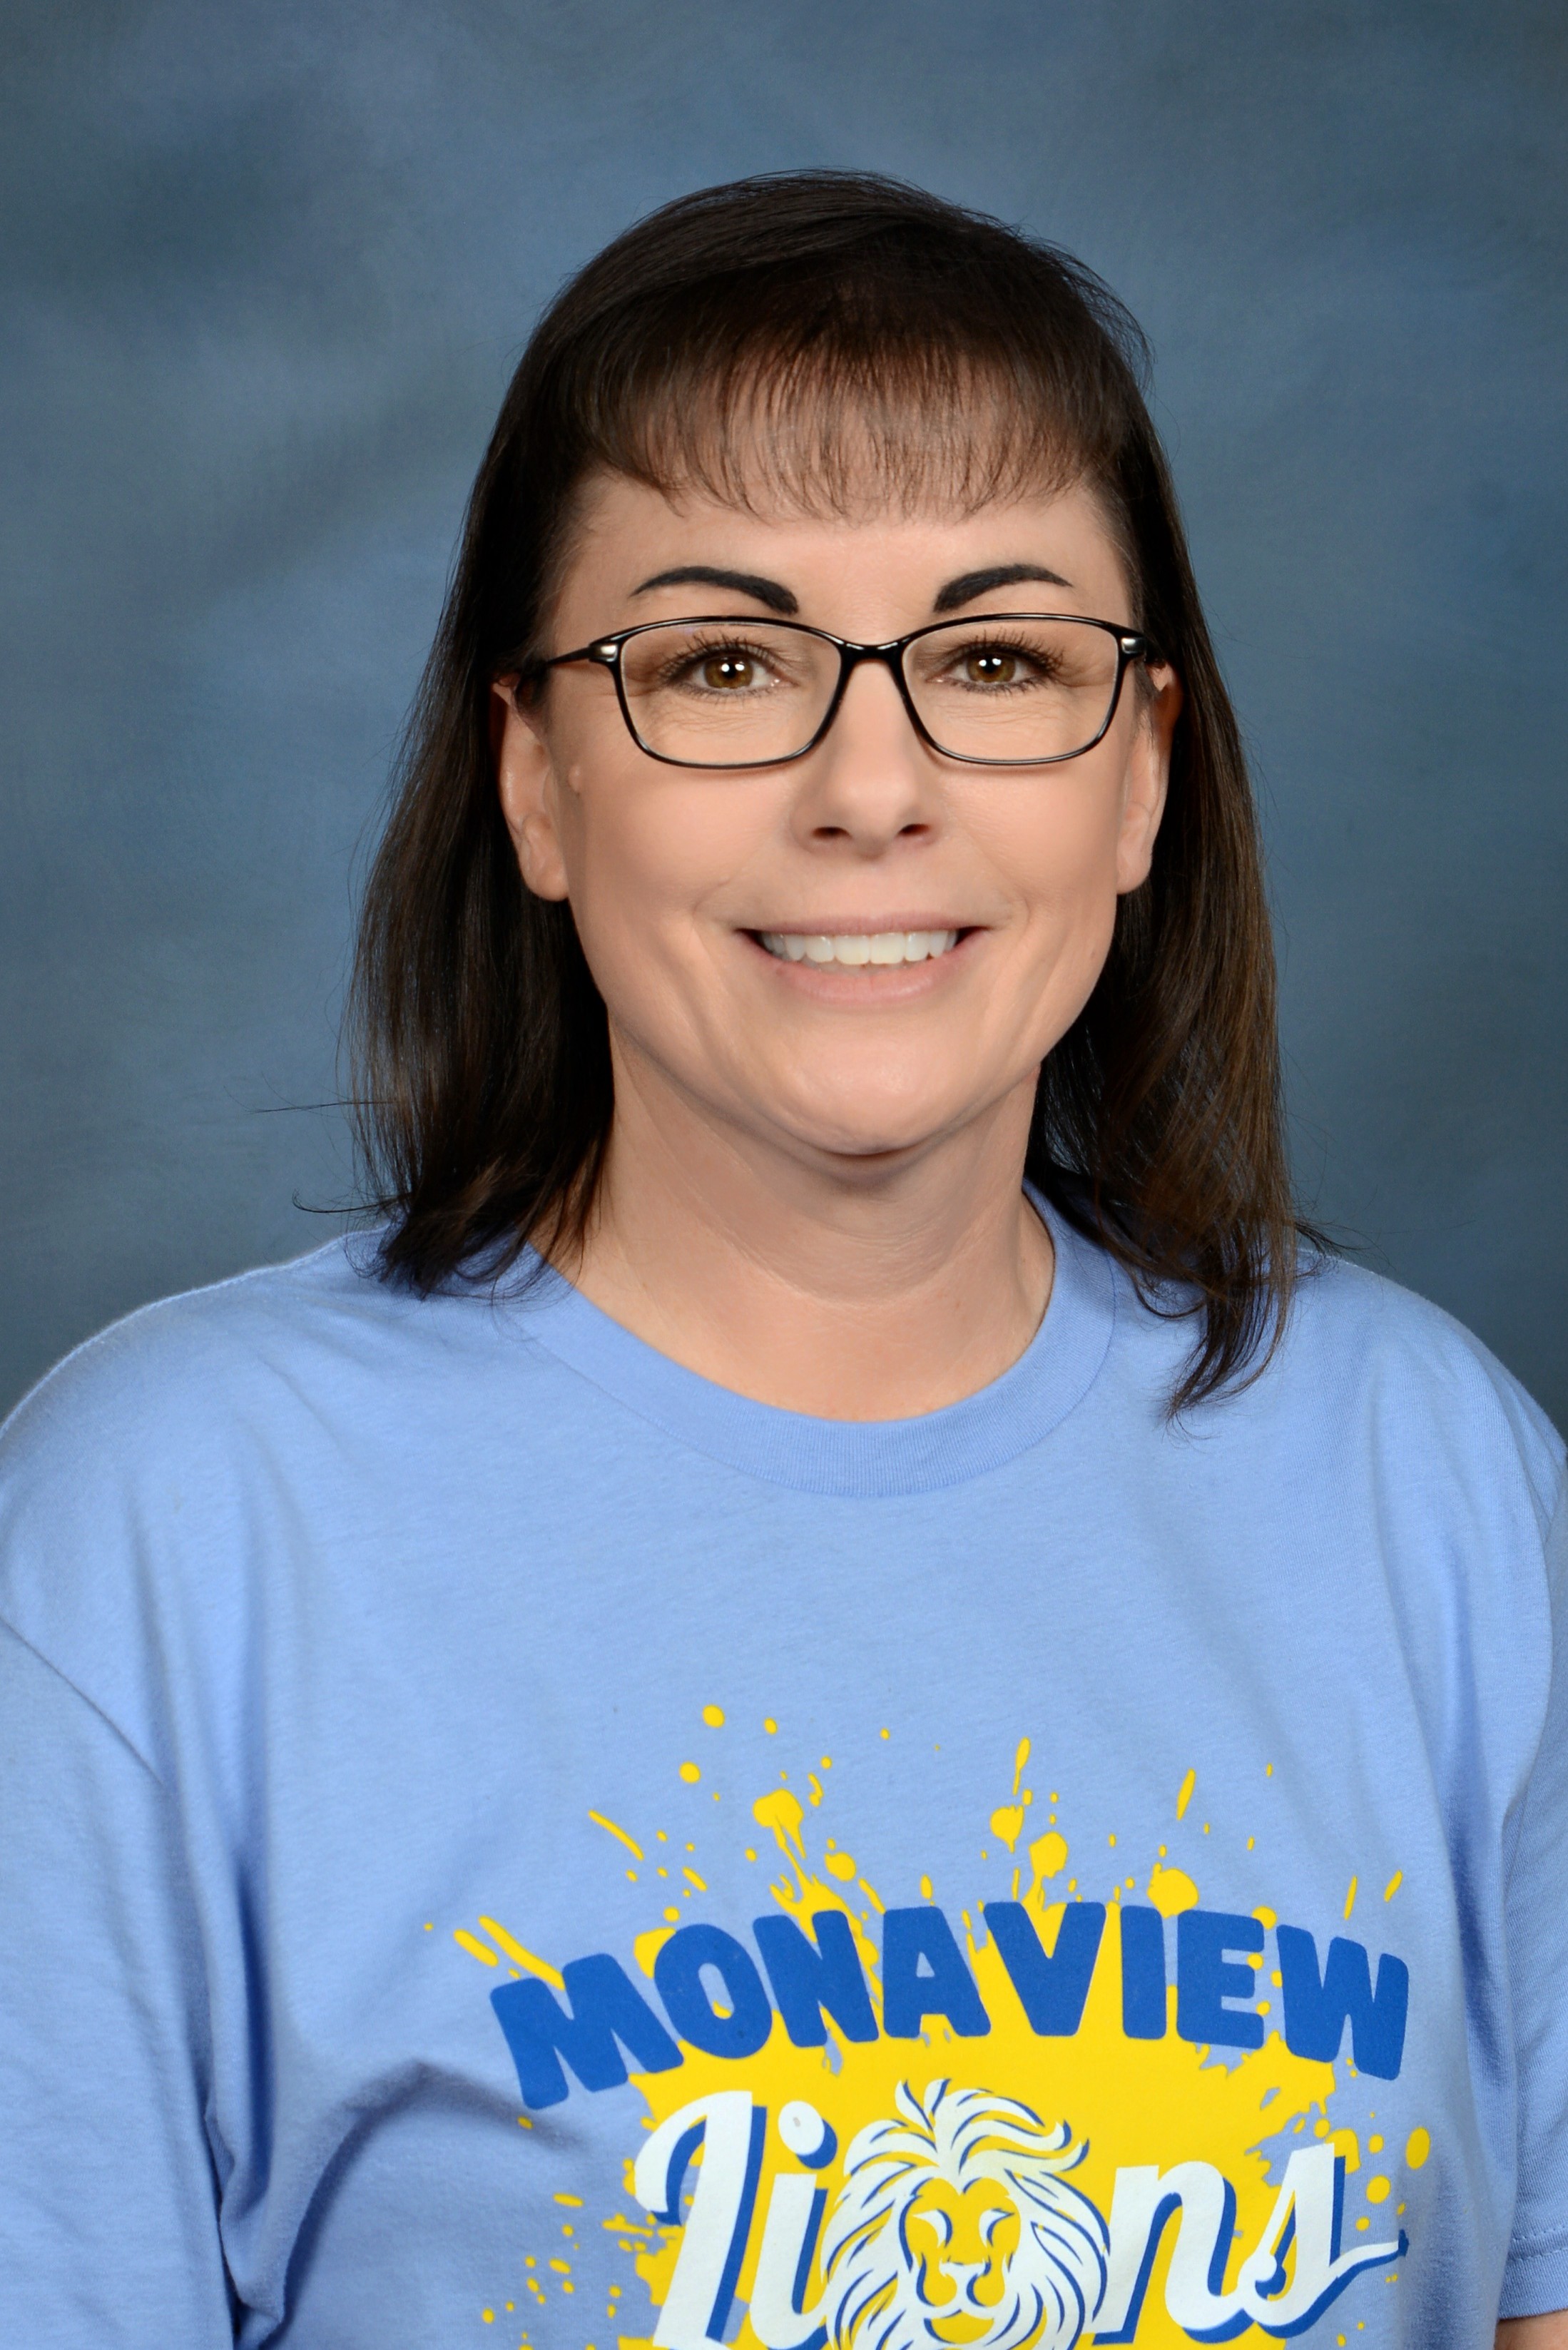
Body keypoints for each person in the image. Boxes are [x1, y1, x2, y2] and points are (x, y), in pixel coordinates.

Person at [0, 172, 1561, 2350]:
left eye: (998, 660)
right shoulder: (164, 1538)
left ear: (1142, 778)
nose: (871, 788)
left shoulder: (1433, 1479)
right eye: (724, 663)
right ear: (536, 780)